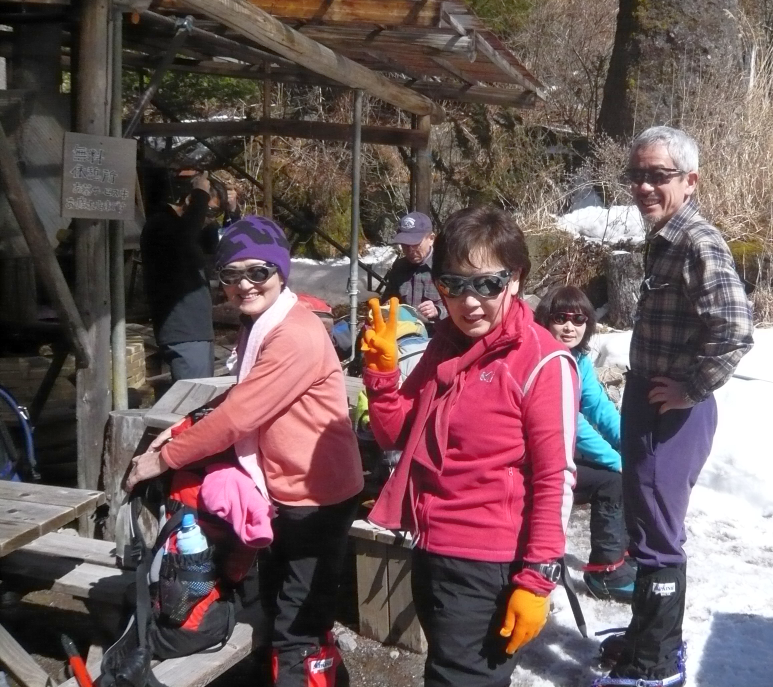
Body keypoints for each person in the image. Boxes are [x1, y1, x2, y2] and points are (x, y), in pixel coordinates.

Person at [127, 216, 364, 687]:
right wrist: (177, 430)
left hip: (316, 499)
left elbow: (239, 416)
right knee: (275, 606)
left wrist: (163, 459)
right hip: (285, 491)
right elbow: (242, 394)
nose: (244, 284)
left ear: (281, 273)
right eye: (232, 275)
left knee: (299, 624)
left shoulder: (293, 333)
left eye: (258, 272)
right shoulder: (260, 323)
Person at [362, 206, 579, 687]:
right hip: (431, 547)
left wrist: (538, 579)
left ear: (516, 278)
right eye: (453, 284)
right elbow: (399, 435)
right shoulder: (447, 344)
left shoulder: (542, 362)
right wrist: (381, 378)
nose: (469, 301)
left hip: (488, 564)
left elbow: (554, 478)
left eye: (487, 283)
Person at [597, 127, 754, 687]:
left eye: (657, 176)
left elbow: (735, 331)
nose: (643, 186)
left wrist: (691, 387)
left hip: (676, 408)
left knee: (659, 534)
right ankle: (647, 636)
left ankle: (656, 665)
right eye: (636, 174)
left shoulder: (697, 242)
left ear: (689, 182)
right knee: (645, 524)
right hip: (650, 395)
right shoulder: (662, 236)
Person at [535, 286, 633, 603]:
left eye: (578, 319)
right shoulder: (543, 359)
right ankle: (605, 573)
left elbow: (599, 408)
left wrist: (631, 448)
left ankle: (626, 552)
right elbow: (571, 423)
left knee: (629, 469)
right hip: (535, 463)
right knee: (613, 481)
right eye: (560, 318)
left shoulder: (578, 359)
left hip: (561, 451)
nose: (569, 327)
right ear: (545, 321)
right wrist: (618, 461)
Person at [140, 170, 220, 381]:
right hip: (184, 331)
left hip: (195, 332)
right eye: (208, 211)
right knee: (194, 403)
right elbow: (185, 238)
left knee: (200, 399)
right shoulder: (162, 224)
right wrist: (201, 195)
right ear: (189, 200)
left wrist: (230, 212)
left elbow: (213, 250)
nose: (208, 218)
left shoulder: (183, 229)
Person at [379, 211, 446, 325]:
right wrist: (387, 305)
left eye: (415, 244)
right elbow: (388, 299)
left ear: (431, 239)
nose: (410, 251)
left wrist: (438, 310)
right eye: (405, 245)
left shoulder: (445, 267)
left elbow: (462, 308)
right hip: (404, 331)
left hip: (438, 333)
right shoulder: (399, 267)